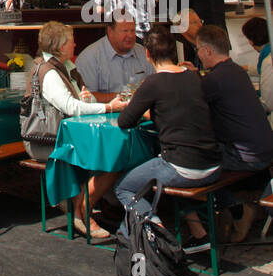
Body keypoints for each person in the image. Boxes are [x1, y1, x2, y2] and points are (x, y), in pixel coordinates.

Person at [22, 19, 127, 240]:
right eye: (71, 42)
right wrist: (108, 107)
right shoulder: (49, 72)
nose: (75, 45)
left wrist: (84, 98)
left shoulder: (66, 67)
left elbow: (73, 101)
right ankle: (81, 212)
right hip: (47, 141)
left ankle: (82, 205)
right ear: (60, 47)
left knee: (112, 154)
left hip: (66, 136)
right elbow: (69, 107)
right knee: (109, 156)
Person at [116, 26, 221, 240]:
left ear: (147, 54)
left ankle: (158, 231)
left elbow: (124, 121)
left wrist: (147, 113)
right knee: (167, 170)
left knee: (124, 188)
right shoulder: (192, 77)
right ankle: (198, 230)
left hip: (183, 167)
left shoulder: (153, 83)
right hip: (214, 163)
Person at [196, 24, 273, 240]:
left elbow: (192, 111)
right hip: (265, 148)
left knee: (191, 163)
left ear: (208, 51)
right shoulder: (237, 71)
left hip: (247, 156)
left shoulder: (214, 80)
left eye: (198, 50)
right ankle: (240, 207)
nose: (199, 55)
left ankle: (236, 208)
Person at [75, 11, 155, 101]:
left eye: (132, 30)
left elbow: (156, 86)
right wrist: (123, 97)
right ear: (110, 31)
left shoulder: (143, 53)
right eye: (125, 31)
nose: (130, 35)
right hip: (106, 113)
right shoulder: (89, 58)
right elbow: (86, 97)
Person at [242, 16, 273, 114]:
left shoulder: (268, 61)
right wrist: (246, 68)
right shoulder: (268, 53)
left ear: (251, 41)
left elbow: (267, 104)